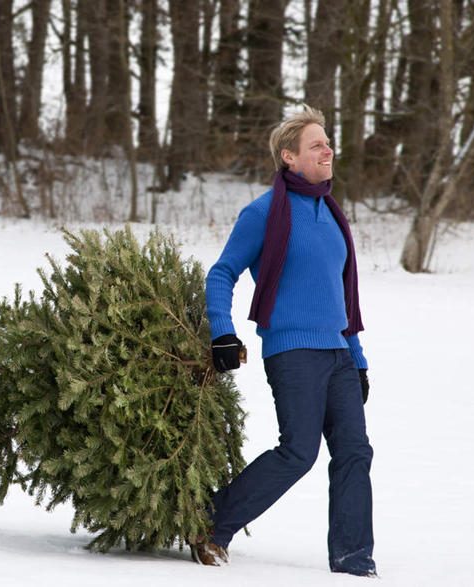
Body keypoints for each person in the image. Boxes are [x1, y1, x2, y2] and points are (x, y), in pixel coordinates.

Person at [195, 105, 376, 576]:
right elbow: (222, 273)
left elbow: (343, 298)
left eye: (328, 142)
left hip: (338, 352)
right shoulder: (263, 214)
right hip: (292, 350)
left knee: (355, 451)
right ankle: (211, 524)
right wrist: (222, 331)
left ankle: (355, 559)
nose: (328, 149)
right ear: (289, 157)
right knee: (299, 452)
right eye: (317, 144)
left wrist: (357, 359)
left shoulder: (333, 217)